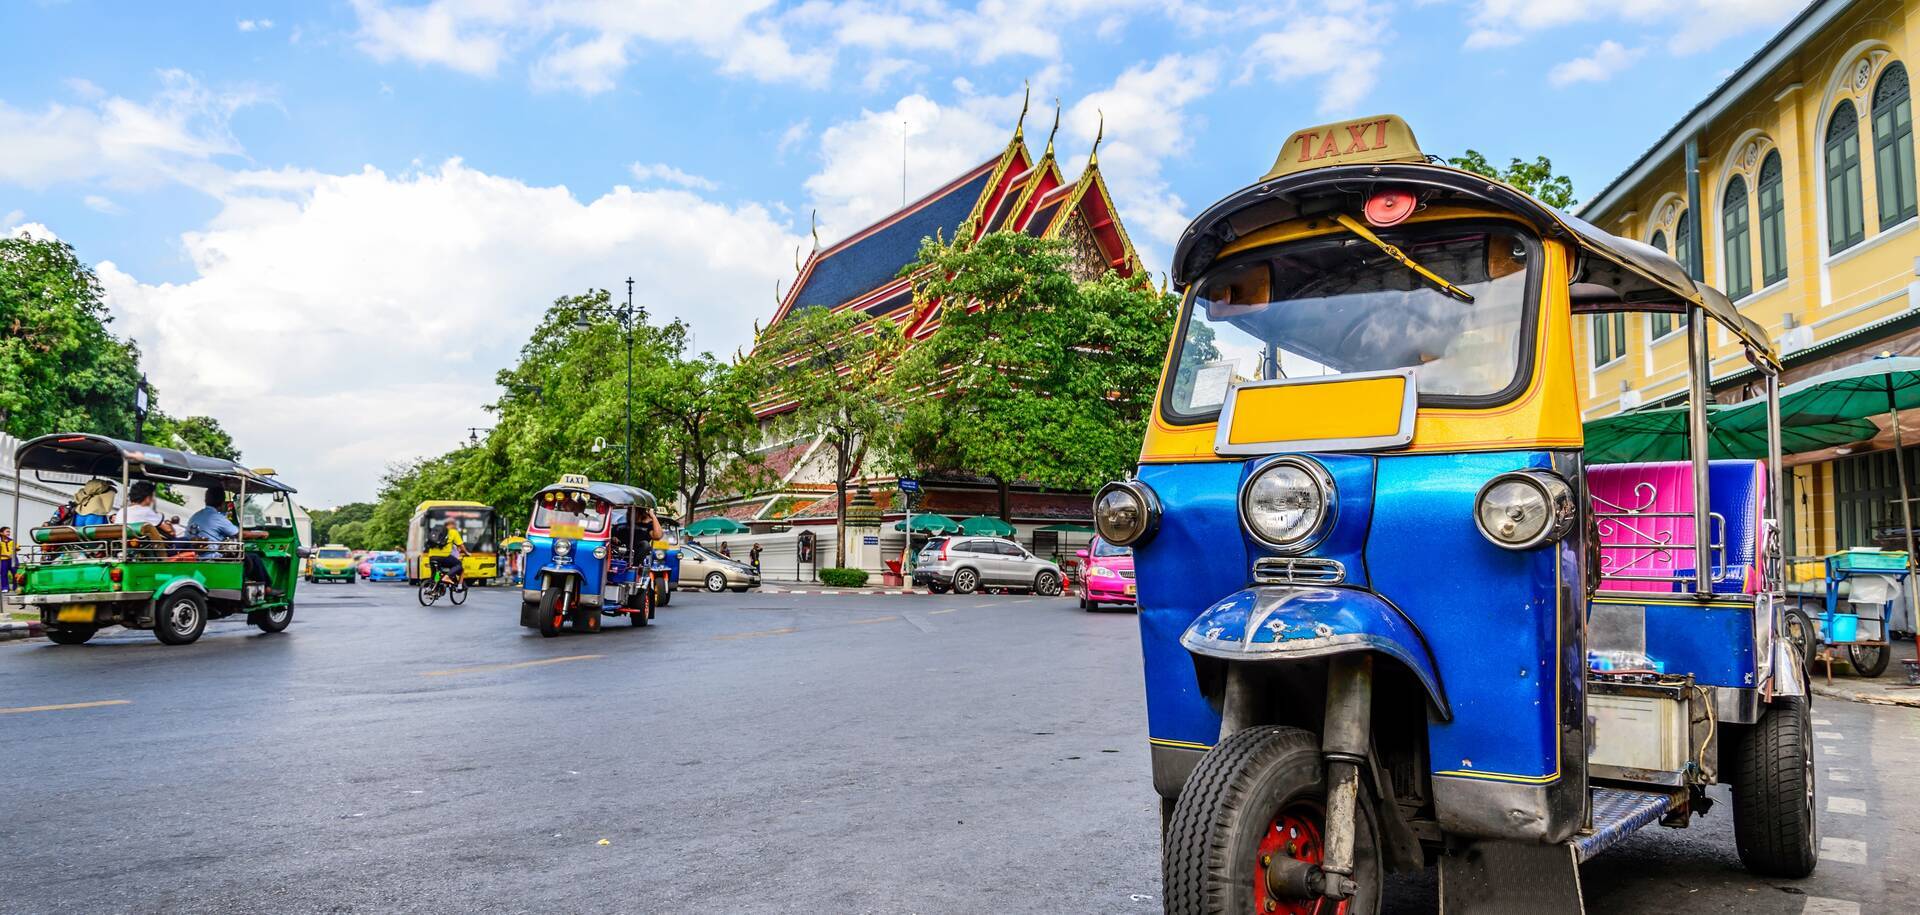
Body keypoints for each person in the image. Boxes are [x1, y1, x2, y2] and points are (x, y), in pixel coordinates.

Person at [189, 486, 274, 593]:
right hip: (214, 557)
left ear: (206, 500)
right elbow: (241, 534)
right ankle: (267, 588)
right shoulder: (216, 517)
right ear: (222, 503)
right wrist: (262, 533)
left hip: (197, 556)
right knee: (254, 558)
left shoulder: (195, 516)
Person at [434, 519, 467, 588]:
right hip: (446, 558)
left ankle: (435, 584)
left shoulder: (438, 533)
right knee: (459, 566)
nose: (455, 526)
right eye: (454, 524)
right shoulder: (453, 534)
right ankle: (458, 585)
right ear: (451, 525)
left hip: (433, 556)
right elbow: (460, 546)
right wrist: (466, 552)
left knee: (437, 571)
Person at [0, 527, 15, 592]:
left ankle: (15, 587)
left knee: (15, 573)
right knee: (4, 573)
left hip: (13, 559)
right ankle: (5, 588)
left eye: (9, 531)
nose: (9, 533)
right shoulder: (0, 542)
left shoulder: (12, 541)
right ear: (1, 533)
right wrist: (6, 555)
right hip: (3, 560)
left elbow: (16, 548)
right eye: (7, 531)